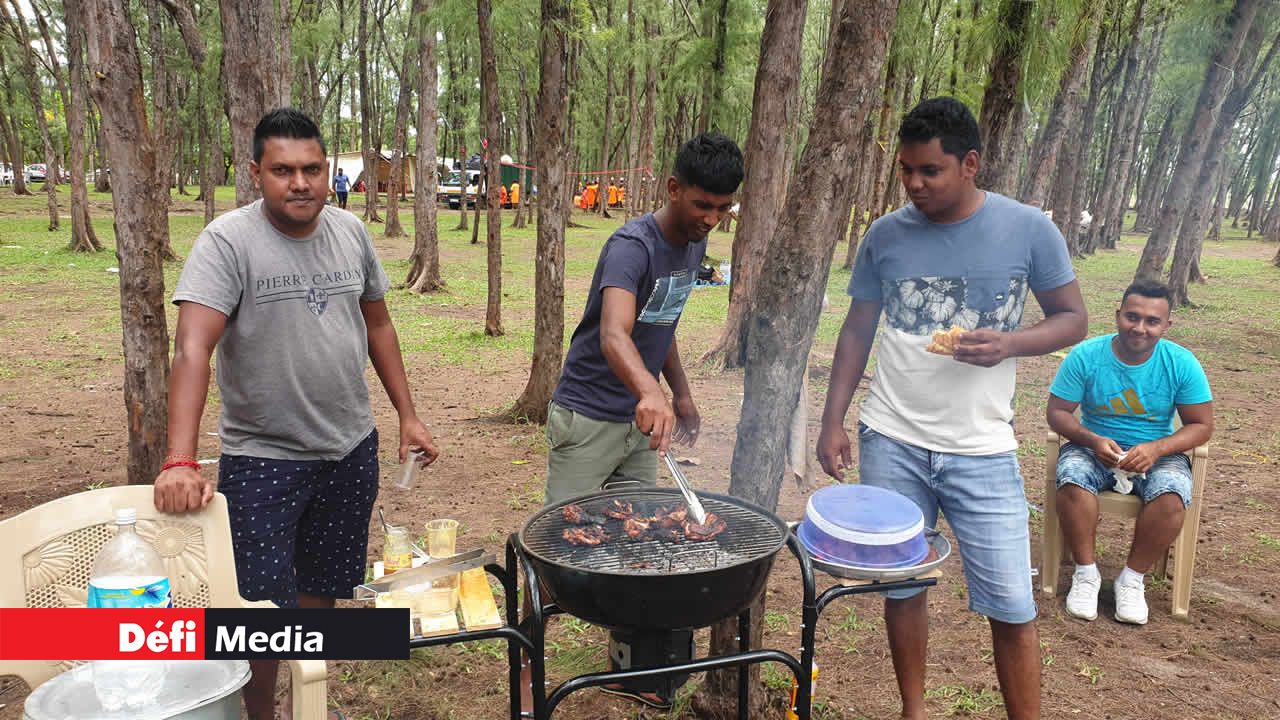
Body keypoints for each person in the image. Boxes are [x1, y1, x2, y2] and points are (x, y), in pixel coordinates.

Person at [153, 108, 440, 720]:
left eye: (312, 169)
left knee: (321, 590)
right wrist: (179, 459)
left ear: (327, 169)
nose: (301, 183)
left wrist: (407, 416)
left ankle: (305, 703)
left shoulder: (350, 232)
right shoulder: (227, 242)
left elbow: (378, 325)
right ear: (256, 172)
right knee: (257, 611)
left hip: (349, 449)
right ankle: (258, 712)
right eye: (283, 170)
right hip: (265, 459)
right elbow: (192, 348)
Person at [817, 97, 1087, 720]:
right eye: (906, 170)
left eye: (930, 171)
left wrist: (1010, 343)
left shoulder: (1028, 230)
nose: (914, 184)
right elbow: (857, 329)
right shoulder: (885, 235)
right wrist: (833, 421)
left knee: (1012, 605)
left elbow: (1073, 318)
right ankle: (914, 711)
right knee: (904, 587)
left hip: (982, 449)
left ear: (969, 164)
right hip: (892, 438)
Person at [524, 132, 743, 711]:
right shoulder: (631, 247)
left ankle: (632, 667)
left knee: (636, 544)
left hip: (641, 427)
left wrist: (682, 394)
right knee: (551, 550)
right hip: (588, 418)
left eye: (723, 208)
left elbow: (660, 325)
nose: (711, 219)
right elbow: (614, 333)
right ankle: (526, 669)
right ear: (673, 189)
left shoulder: (694, 245)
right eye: (702, 205)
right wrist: (650, 391)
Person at [1047, 282, 1213, 625]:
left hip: (1157, 453)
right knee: (1073, 479)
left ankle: (1132, 580)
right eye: (1132, 317)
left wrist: (1157, 448)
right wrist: (1093, 440)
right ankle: (1086, 574)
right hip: (1093, 447)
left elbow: (1201, 425)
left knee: (1172, 495)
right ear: (1118, 315)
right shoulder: (1086, 355)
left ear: (1166, 326)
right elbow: (1057, 413)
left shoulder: (1181, 363)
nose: (1139, 328)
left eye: (1152, 321)